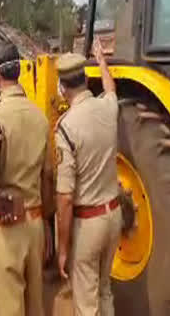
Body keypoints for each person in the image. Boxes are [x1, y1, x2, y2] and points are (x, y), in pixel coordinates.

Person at [0, 42, 53, 316]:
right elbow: (48, 177)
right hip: (36, 226)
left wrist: (1, 197)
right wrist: (45, 223)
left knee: (9, 306)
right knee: (35, 306)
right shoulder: (40, 117)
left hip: (9, 226)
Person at [55, 43, 122, 316]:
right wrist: (102, 62)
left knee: (86, 302)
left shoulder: (66, 127)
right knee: (105, 289)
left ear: (63, 87)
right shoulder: (107, 107)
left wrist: (62, 248)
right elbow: (111, 89)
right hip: (114, 217)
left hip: (88, 225)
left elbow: (65, 197)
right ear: (84, 79)